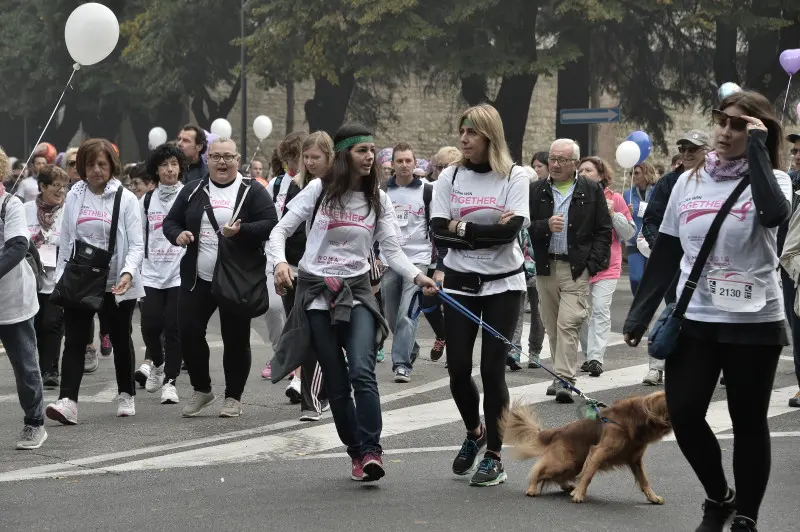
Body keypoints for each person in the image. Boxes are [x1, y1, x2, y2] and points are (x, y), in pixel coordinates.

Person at [624, 90, 791, 532]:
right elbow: (668, 248)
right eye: (722, 119)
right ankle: (719, 497)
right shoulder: (687, 181)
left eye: (740, 125)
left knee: (748, 420)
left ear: (759, 133)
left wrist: (757, 149)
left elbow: (774, 214)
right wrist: (640, 314)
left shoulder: (776, 179)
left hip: (754, 320)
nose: (725, 130)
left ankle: (747, 518)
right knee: (683, 413)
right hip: (695, 317)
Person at [270, 124, 437, 483]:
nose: (370, 157)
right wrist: (281, 262)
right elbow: (279, 231)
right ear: (345, 155)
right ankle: (356, 453)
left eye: (373, 150)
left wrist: (417, 276)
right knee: (337, 380)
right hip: (316, 293)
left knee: (362, 370)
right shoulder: (317, 190)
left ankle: (373, 450)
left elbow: (391, 250)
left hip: (358, 291)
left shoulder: (379, 197)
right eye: (362, 150)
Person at [431, 104, 530, 487]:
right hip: (459, 284)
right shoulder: (450, 177)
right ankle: (476, 433)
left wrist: (462, 228)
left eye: (470, 133)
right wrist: (474, 230)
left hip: (504, 284)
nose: (463, 139)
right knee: (457, 371)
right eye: (461, 132)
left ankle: (494, 457)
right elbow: (438, 231)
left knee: (492, 371)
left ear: (489, 136)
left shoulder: (515, 176)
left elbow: (511, 233)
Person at [163, 138, 278, 418]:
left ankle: (233, 397)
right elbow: (170, 221)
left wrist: (242, 231)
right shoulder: (193, 190)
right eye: (216, 157)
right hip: (197, 278)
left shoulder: (251, 190)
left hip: (236, 278)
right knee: (187, 333)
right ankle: (202, 389)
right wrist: (177, 235)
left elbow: (272, 224)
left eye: (228, 157)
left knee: (235, 338)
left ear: (238, 159)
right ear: (207, 160)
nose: (222, 162)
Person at [45, 139, 145, 424]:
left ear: (112, 165)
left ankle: (126, 393)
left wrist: (127, 273)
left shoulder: (125, 198)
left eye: (102, 164)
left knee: (119, 338)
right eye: (90, 164)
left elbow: (137, 245)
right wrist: (62, 279)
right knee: (75, 339)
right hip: (81, 279)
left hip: (116, 281)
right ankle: (68, 402)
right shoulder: (75, 195)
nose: (96, 170)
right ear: (82, 167)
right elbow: (66, 241)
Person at [529, 140, 612, 403]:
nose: (555, 164)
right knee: (552, 326)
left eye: (562, 160)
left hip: (576, 268)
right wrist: (545, 225)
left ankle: (565, 379)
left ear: (575, 163)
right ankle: (560, 374)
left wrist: (592, 265)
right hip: (545, 266)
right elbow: (524, 225)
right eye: (553, 158)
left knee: (569, 323)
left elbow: (603, 230)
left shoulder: (591, 189)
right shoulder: (536, 189)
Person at [640, 130, 712, 385]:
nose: (687, 154)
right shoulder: (670, 182)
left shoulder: (720, 182)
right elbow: (650, 221)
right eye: (683, 149)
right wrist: (662, 250)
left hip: (709, 266)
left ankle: (711, 363)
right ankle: (657, 364)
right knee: (673, 311)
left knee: (706, 313)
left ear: (709, 151)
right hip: (676, 264)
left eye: (693, 149)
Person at [273, 131, 334, 421]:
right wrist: (279, 262)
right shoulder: (295, 186)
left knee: (328, 336)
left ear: (330, 157)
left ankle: (325, 391)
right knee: (305, 333)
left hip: (336, 272)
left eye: (315, 157)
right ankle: (311, 400)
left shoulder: (340, 186)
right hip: (298, 270)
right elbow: (282, 228)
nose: (309, 162)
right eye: (305, 157)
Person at [0, 147, 47, 449]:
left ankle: (35, 423)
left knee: (25, 366)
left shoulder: (10, 204)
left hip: (13, 300)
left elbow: (18, 246)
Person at [576, 157, 635, 377]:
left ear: (601, 175)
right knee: (579, 314)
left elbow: (629, 232)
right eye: (580, 170)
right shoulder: (574, 197)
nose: (582, 173)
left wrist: (613, 214)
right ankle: (588, 354)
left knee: (600, 309)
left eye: (588, 170)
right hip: (580, 265)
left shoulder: (615, 198)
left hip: (607, 265)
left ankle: (595, 358)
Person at [138, 144, 186, 405]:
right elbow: (137, 238)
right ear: (156, 169)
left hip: (179, 272)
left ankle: (170, 381)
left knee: (173, 327)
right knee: (150, 325)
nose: (170, 169)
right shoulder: (146, 200)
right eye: (165, 164)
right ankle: (157, 363)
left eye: (174, 164)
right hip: (151, 273)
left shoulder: (188, 195)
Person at [25, 165, 69, 389]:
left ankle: (51, 370)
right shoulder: (25, 210)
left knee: (52, 323)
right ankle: (38, 369)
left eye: (64, 186)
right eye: (56, 186)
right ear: (42, 186)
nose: (61, 191)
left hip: (57, 280)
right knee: (36, 325)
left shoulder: (69, 211)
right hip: (31, 280)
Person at [622, 161, 657, 296]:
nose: (633, 176)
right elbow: (621, 216)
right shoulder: (628, 194)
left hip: (652, 240)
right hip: (634, 240)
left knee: (650, 279)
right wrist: (627, 213)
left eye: (636, 173)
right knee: (636, 278)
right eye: (632, 173)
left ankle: (645, 305)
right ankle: (638, 302)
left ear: (646, 173)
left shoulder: (657, 191)